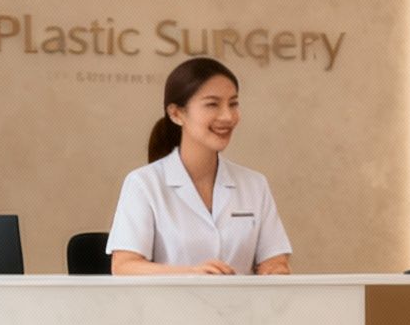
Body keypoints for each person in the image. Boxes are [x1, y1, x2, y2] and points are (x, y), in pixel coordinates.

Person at [107, 58, 293, 277]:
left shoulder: (254, 184)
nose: (228, 116)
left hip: (243, 310)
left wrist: (275, 270)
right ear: (176, 114)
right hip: (169, 309)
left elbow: (274, 259)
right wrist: (192, 273)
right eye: (212, 104)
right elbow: (124, 267)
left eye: (233, 103)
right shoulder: (144, 183)